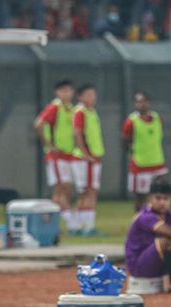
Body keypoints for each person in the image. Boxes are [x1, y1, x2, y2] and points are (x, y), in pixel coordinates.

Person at [34, 79, 78, 232]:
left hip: (69, 154)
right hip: (57, 156)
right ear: (57, 93)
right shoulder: (55, 107)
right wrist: (49, 145)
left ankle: (54, 221)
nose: (67, 93)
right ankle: (71, 223)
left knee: (67, 189)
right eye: (63, 91)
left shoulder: (72, 109)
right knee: (62, 187)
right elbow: (39, 123)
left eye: (69, 90)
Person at [122, 91, 168, 212]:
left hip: (158, 162)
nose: (141, 104)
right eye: (138, 102)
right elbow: (125, 141)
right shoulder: (131, 121)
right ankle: (140, 222)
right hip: (140, 164)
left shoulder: (158, 118)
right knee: (140, 197)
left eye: (144, 101)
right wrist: (134, 153)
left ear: (148, 103)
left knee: (163, 192)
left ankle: (161, 220)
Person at [72, 84, 104, 236]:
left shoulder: (92, 112)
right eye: (89, 95)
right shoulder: (80, 112)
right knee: (88, 192)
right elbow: (77, 134)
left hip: (95, 157)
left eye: (94, 94)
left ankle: (80, 226)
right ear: (81, 97)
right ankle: (86, 227)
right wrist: (86, 154)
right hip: (86, 159)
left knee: (89, 191)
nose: (93, 97)